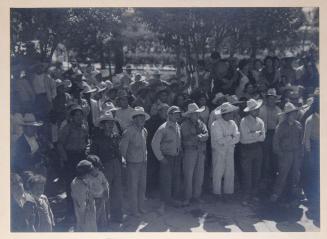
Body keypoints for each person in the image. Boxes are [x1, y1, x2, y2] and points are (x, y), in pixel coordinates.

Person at [90, 111, 124, 223]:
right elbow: (93, 155)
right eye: (108, 123)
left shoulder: (114, 136)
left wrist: (121, 162)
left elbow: (118, 151)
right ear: (103, 125)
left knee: (117, 191)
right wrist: (98, 169)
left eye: (112, 123)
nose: (110, 125)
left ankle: (117, 215)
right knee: (105, 192)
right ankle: (105, 218)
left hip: (116, 166)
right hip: (105, 167)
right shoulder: (97, 139)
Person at [57, 105, 89, 222]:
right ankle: (70, 213)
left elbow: (86, 141)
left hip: (81, 157)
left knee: (82, 184)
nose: (79, 117)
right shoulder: (67, 128)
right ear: (72, 117)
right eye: (77, 115)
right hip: (70, 157)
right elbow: (60, 144)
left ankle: (82, 212)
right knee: (71, 186)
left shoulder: (84, 127)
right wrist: (65, 159)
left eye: (81, 115)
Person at [151, 106, 183, 213]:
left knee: (175, 180)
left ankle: (173, 200)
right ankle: (163, 204)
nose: (177, 115)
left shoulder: (177, 126)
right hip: (167, 157)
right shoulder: (163, 128)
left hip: (176, 157)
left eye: (178, 114)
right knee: (166, 181)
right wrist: (161, 158)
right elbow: (154, 144)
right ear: (169, 115)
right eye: (175, 114)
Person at [270, 102, 304, 202]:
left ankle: (293, 193)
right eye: (291, 114)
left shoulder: (298, 125)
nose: (293, 115)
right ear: (287, 115)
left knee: (295, 174)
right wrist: (280, 153)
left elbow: (301, 140)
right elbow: (275, 142)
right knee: (282, 174)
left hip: (296, 153)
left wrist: (301, 153)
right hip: (285, 154)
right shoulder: (281, 127)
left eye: (294, 113)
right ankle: (276, 193)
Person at [119, 107, 149, 218]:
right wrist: (124, 162)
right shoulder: (128, 132)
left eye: (143, 116)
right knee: (133, 188)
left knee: (142, 187)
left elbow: (144, 147)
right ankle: (134, 210)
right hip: (132, 164)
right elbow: (122, 149)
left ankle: (141, 207)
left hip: (143, 162)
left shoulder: (144, 131)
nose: (142, 118)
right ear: (134, 118)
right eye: (139, 116)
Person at [181, 103, 209, 205]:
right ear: (189, 115)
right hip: (190, 151)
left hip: (200, 151)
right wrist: (200, 137)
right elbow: (187, 139)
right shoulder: (184, 125)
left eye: (197, 113)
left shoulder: (201, 123)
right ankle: (187, 197)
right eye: (194, 113)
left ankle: (196, 196)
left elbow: (206, 135)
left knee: (199, 175)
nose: (197, 115)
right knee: (188, 175)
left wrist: (199, 137)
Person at [211, 102, 240, 200]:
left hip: (230, 150)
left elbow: (237, 137)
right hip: (219, 151)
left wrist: (227, 138)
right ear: (225, 114)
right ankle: (217, 193)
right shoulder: (216, 124)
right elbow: (219, 140)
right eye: (230, 113)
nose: (232, 115)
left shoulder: (233, 123)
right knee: (218, 171)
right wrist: (230, 137)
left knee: (230, 171)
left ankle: (228, 192)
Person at [239, 99, 265, 205]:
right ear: (249, 111)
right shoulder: (243, 121)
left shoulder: (261, 121)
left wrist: (252, 133)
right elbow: (244, 137)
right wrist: (256, 134)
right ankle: (246, 196)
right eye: (254, 109)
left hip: (258, 148)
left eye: (257, 109)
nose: (257, 111)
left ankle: (254, 194)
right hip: (246, 149)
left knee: (257, 173)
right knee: (247, 174)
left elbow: (263, 137)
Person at [145, 103, 170, 196]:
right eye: (165, 111)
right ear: (160, 111)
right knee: (151, 169)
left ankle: (155, 189)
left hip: (160, 149)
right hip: (151, 149)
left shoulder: (165, 121)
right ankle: (148, 190)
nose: (167, 113)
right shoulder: (152, 120)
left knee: (158, 170)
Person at [259, 88, 282, 187]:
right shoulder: (262, 109)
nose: (271, 100)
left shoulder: (278, 110)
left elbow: (280, 124)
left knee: (274, 157)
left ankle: (273, 178)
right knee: (264, 157)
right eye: (270, 98)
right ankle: (263, 178)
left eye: (273, 98)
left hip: (275, 134)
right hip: (265, 134)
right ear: (267, 99)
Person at [302, 93, 319, 213]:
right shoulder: (310, 119)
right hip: (313, 148)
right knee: (312, 172)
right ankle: (311, 196)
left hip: (321, 147)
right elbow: (306, 137)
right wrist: (308, 150)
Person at [71, 160, 97, 232]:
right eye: (90, 173)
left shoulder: (82, 180)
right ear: (85, 174)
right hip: (84, 214)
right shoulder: (78, 185)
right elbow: (81, 204)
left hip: (88, 212)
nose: (91, 175)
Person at [86, 155, 110, 231]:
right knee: (94, 216)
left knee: (103, 216)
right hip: (92, 200)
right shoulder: (88, 178)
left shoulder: (100, 174)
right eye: (93, 169)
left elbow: (105, 183)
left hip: (101, 198)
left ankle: (103, 229)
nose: (96, 170)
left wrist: (106, 192)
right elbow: (86, 190)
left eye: (97, 168)